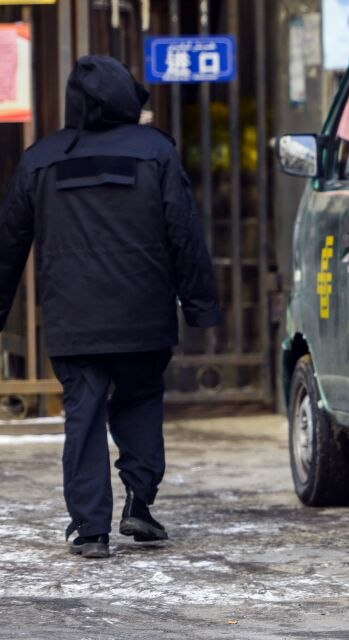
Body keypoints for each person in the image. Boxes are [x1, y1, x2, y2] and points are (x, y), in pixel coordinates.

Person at [0, 55, 223, 559]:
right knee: (141, 400)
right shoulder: (155, 151)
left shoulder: (40, 158)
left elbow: (9, 245)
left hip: (72, 316)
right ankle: (139, 507)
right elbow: (184, 234)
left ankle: (90, 529)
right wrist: (202, 307)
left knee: (84, 412)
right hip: (144, 313)